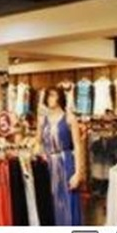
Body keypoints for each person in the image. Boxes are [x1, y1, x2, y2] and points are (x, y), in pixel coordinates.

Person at [37, 87, 84, 225]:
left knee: (68, 202)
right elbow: (38, 142)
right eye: (48, 95)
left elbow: (77, 146)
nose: (50, 99)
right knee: (50, 202)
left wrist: (78, 173)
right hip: (48, 165)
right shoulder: (42, 120)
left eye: (53, 95)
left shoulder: (69, 118)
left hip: (66, 163)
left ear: (60, 97)